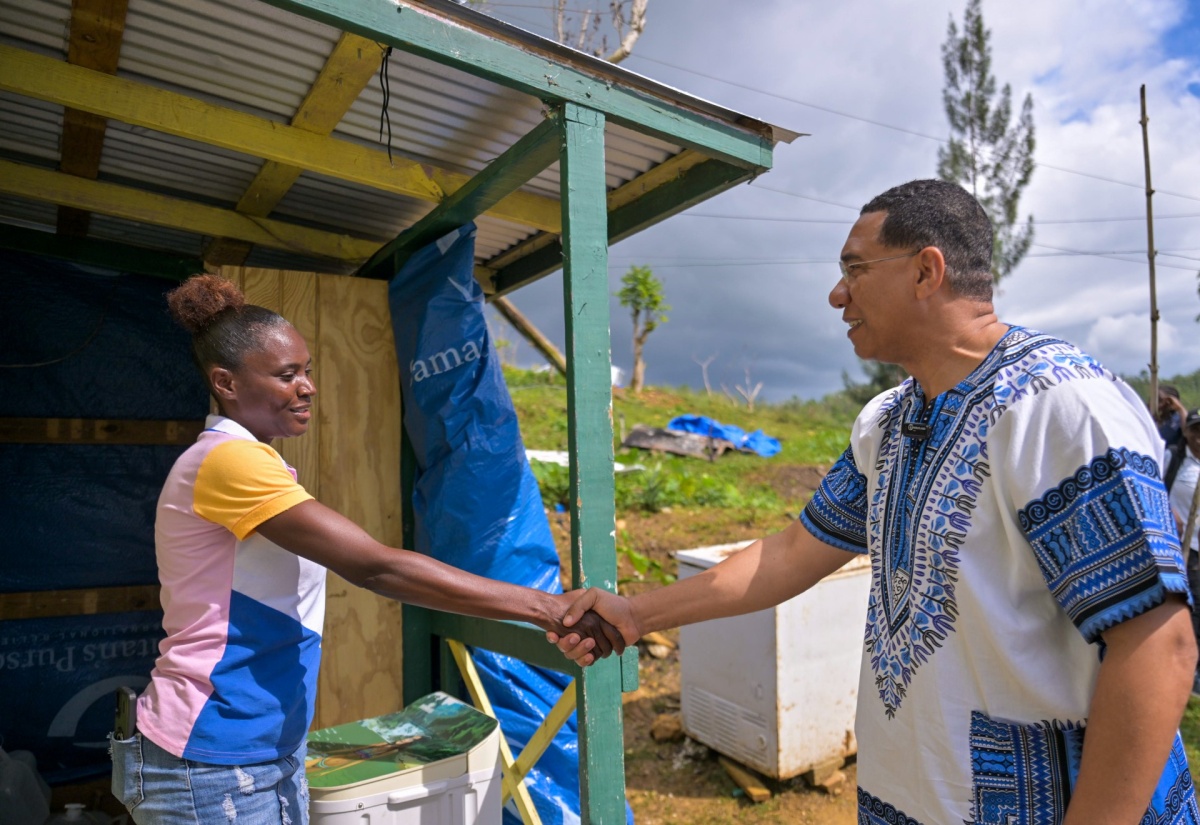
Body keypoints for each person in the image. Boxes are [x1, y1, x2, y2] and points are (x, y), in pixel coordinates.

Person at [552, 179, 1199, 824]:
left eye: (855, 270)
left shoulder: (1060, 408)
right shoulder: (888, 420)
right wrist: (636, 614)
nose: (838, 294)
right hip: (914, 793)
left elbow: (1158, 647)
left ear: (926, 271)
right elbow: (789, 553)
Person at [109, 275, 622, 825]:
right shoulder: (228, 462)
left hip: (255, 748)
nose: (306, 387)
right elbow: (376, 568)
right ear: (225, 383)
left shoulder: (249, 462)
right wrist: (549, 606)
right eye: (287, 375)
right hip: (211, 756)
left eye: (307, 371)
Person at [1166, 408, 1200, 696]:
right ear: (1186, 432)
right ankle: (1190, 676)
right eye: (1195, 431)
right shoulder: (1173, 461)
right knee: (1192, 608)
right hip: (1187, 548)